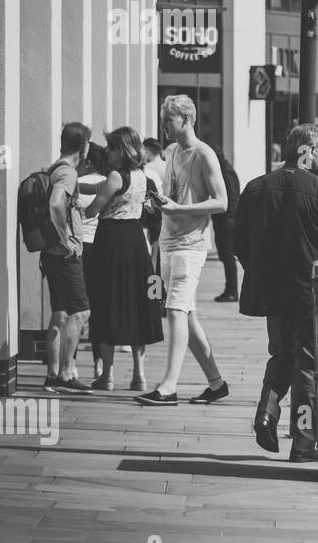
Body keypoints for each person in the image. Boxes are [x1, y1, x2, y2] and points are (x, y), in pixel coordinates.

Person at [235, 124, 318, 461]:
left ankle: (267, 412)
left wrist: (261, 271)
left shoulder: (256, 188)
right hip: (310, 294)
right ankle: (303, 442)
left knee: (282, 355)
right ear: (307, 151)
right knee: (308, 365)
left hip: (272, 294)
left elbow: (238, 243)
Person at [136, 95, 230, 406]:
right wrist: (160, 203)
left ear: (186, 120)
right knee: (184, 313)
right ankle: (216, 383)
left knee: (175, 309)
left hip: (191, 245)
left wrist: (180, 208)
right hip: (168, 239)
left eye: (168, 120)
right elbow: (171, 193)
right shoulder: (172, 151)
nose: (164, 126)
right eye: (163, 120)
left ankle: (168, 386)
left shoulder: (204, 155)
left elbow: (222, 202)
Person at [84, 128, 164, 389]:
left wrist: (79, 204)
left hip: (111, 242)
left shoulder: (116, 176)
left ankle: (107, 375)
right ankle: (139, 375)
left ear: (122, 149)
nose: (108, 151)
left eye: (112, 147)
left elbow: (94, 209)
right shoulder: (143, 176)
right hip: (135, 242)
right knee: (136, 304)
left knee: (107, 302)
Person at [40, 123, 94, 395]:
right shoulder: (68, 172)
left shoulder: (54, 168)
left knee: (60, 314)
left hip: (50, 255)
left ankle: (52, 376)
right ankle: (64, 374)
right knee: (81, 311)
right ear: (83, 146)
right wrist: (65, 240)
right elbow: (55, 204)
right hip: (64, 255)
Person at [77, 142, 108, 384]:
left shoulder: (77, 183)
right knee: (97, 307)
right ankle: (99, 362)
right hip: (100, 247)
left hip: (80, 247)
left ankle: (72, 362)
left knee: (77, 306)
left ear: (88, 161)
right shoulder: (109, 182)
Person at [210, 146, 241, 302]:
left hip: (226, 221)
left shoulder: (225, 171)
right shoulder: (223, 169)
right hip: (224, 219)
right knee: (225, 255)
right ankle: (230, 290)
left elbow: (233, 197)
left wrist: (228, 219)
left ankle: (232, 291)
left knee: (227, 256)